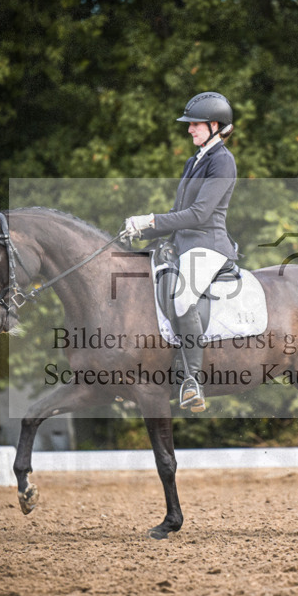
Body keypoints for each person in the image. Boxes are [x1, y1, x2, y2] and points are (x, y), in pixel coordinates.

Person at [122, 91, 238, 412]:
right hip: (182, 245)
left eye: (195, 125)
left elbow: (200, 215)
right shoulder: (194, 160)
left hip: (208, 246)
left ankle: (192, 380)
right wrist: (143, 230)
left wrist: (151, 219)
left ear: (216, 126)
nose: (189, 130)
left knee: (184, 297)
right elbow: (178, 212)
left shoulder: (223, 161)